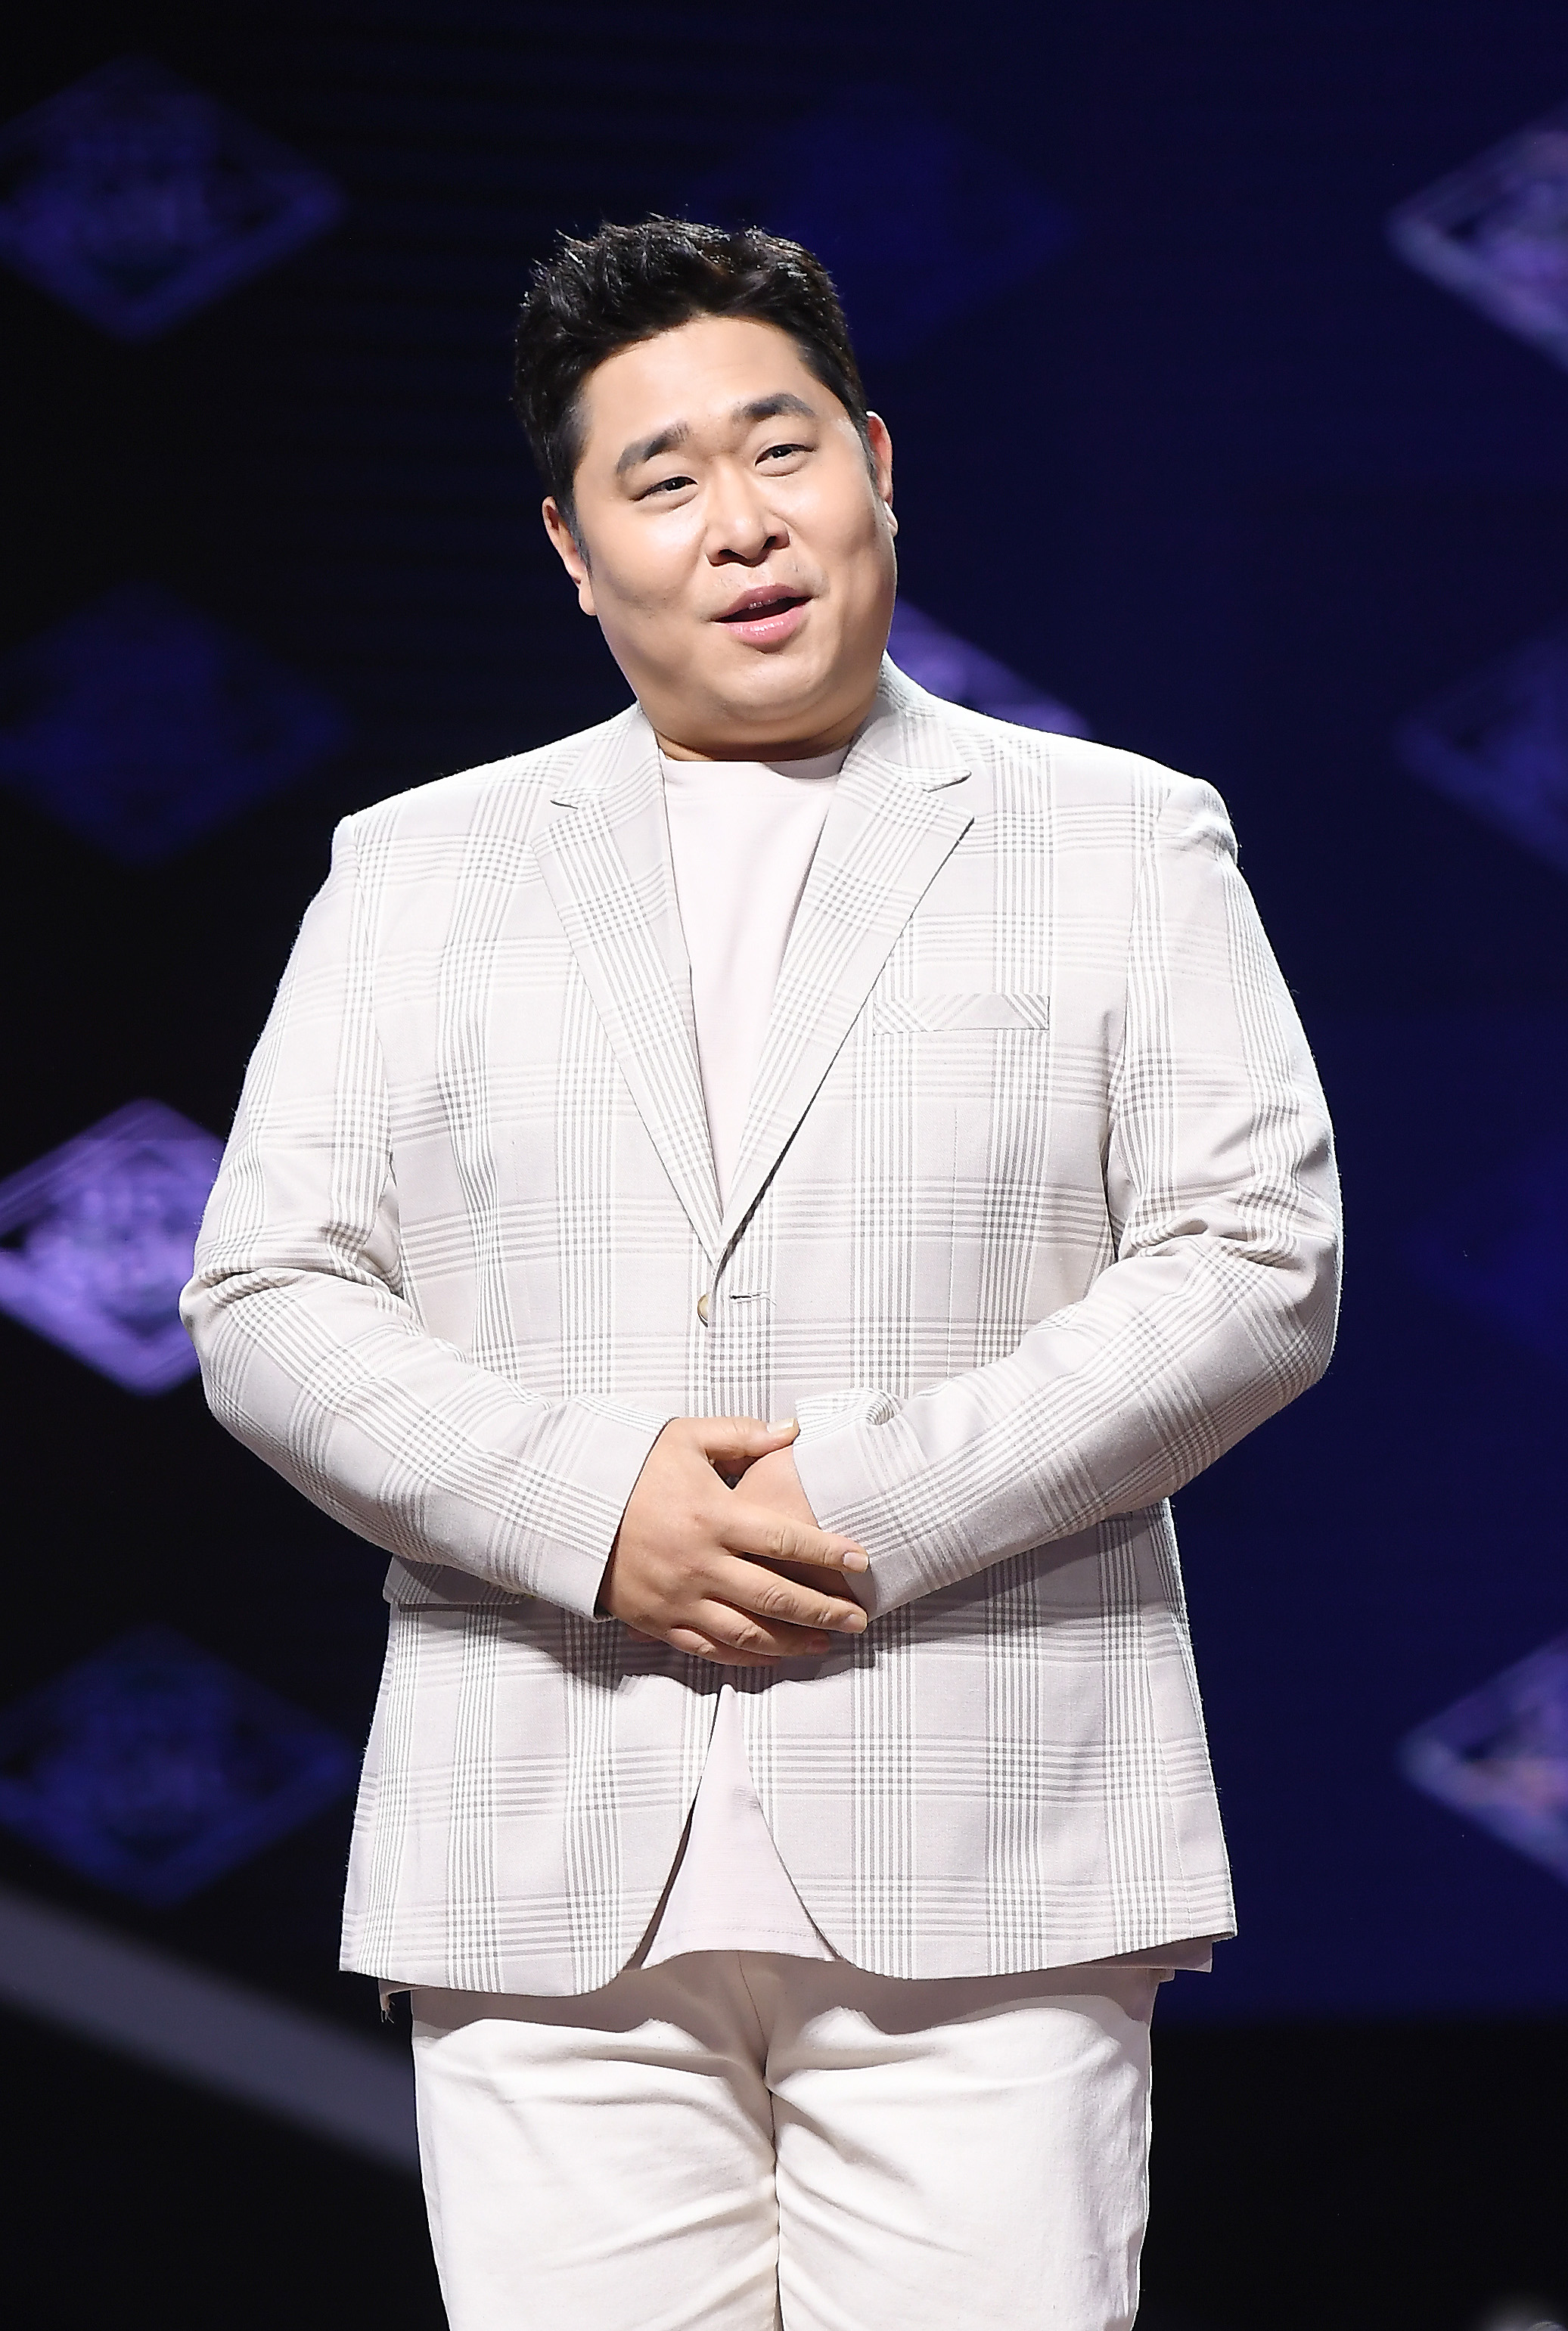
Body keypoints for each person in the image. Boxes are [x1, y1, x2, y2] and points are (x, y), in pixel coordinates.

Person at [182, 218, 1341, 2331]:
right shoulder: (417, 869)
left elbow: (1253, 1260)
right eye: (663, 480)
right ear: (572, 548)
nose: (742, 523)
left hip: (988, 1827)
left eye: (781, 449)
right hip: (542, 1836)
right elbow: (268, 1297)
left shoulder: (1121, 838)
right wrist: (592, 1504)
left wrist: (852, 1504)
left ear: (875, 464)